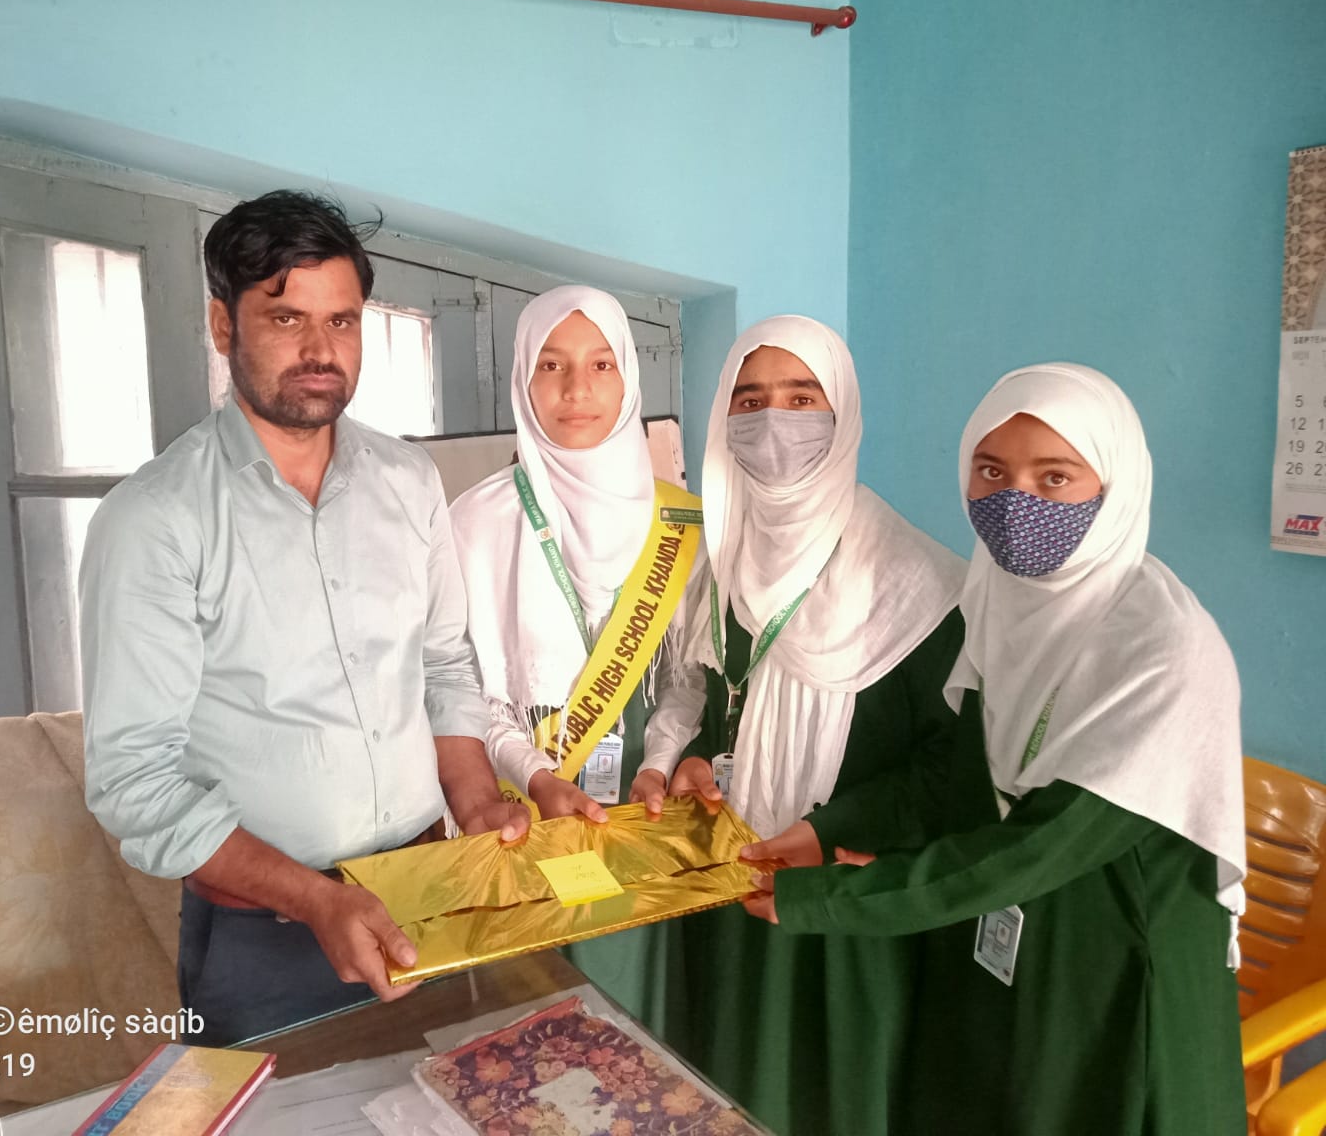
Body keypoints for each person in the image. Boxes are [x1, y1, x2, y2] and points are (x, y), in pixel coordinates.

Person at [744, 362, 1247, 1135]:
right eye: (991, 472)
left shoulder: (1166, 651)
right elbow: (956, 768)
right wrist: (827, 830)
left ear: (1114, 484)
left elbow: (1045, 843)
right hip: (1000, 930)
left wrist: (832, 900)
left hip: (1112, 957)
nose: (1016, 501)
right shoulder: (998, 595)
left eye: (1055, 477)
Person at [79, 190, 529, 1047]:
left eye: (342, 321)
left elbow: (441, 667)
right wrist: (317, 899)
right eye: (286, 319)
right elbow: (134, 779)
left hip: (428, 893)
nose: (321, 351)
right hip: (264, 934)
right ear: (223, 323)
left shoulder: (408, 483)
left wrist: (476, 804)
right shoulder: (155, 520)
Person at [636, 315, 971, 1136]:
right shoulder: (724, 564)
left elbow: (949, 769)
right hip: (733, 884)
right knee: (721, 1081)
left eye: (800, 398)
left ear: (843, 412)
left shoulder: (919, 584)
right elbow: (723, 703)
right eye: (749, 401)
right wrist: (700, 762)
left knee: (829, 1096)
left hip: (845, 904)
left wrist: (829, 833)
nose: (774, 423)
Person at [448, 285, 706, 1017]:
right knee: (529, 1018)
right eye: (551, 365)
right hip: (523, 818)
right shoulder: (474, 523)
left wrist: (658, 765)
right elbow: (461, 690)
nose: (577, 389)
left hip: (643, 820)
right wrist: (533, 777)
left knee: (643, 1020)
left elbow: (690, 676)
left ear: (629, 379)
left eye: (600, 364)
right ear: (523, 381)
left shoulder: (684, 525)